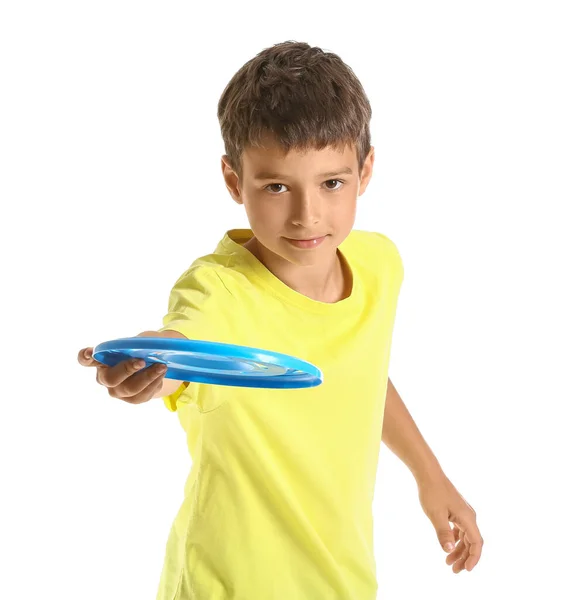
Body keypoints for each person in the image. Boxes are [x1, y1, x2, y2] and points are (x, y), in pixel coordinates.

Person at [78, 40, 483, 599]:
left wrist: (431, 477)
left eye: (331, 182)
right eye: (275, 187)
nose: (307, 214)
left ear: (365, 170)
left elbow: (361, 376)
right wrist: (148, 364)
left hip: (342, 580)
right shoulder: (217, 290)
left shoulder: (379, 264)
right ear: (232, 180)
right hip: (226, 585)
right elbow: (183, 348)